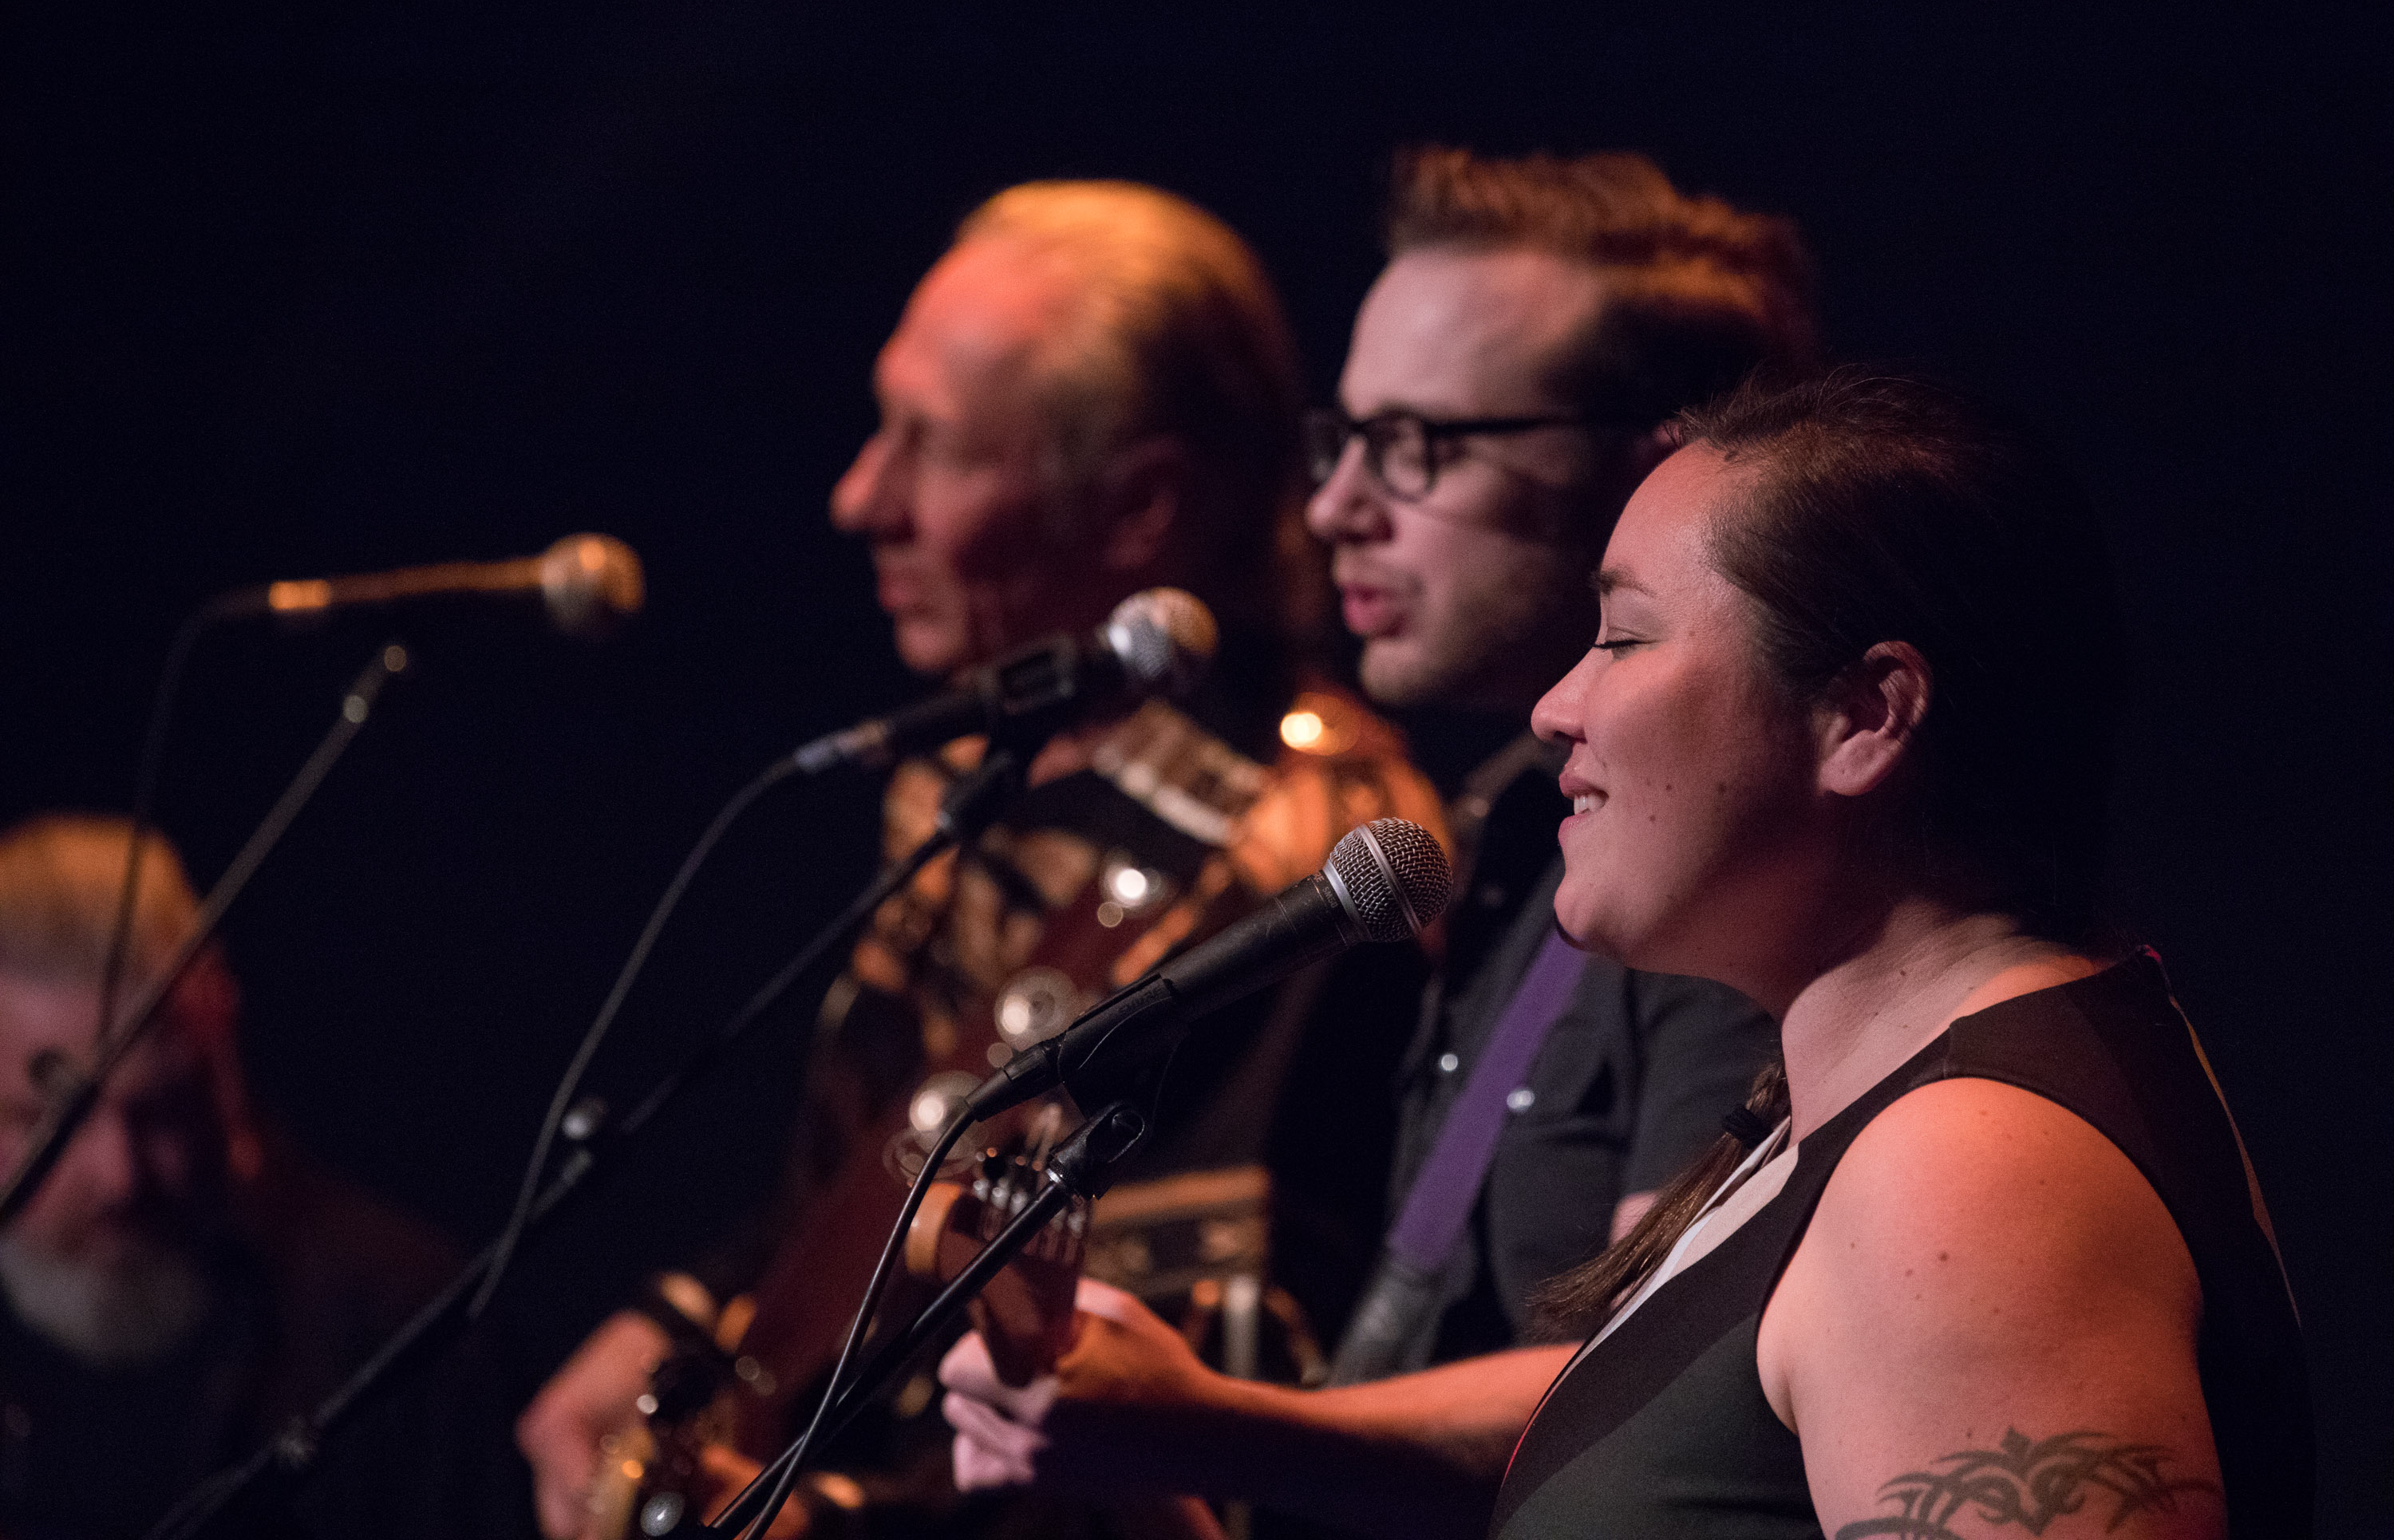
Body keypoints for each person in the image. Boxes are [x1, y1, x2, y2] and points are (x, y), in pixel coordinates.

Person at [940, 373, 2311, 1537]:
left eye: (1625, 637)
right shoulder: (1839, 1129)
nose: (1554, 707)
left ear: (1866, 716)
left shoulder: (1965, 1182)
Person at [515, 180, 1440, 1539]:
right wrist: (690, 1324)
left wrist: (823, 1518)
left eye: (930, 448)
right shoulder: (981, 775)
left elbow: (1179, 1406)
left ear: (1139, 513)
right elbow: (881, 1180)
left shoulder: (1315, 853)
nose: (857, 498)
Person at [1298, 147, 1806, 1380]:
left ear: (1653, 469)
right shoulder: (1505, 838)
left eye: (1415, 441)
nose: (1336, 509)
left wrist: (1196, 1424)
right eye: (1347, 439)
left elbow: (1656, 1389)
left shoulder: (1724, 847)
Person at [0, 814, 531, 1540]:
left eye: (164, 1108)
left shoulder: (403, 1331)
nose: (121, 1176)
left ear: (222, 1049)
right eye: (46, 1121)